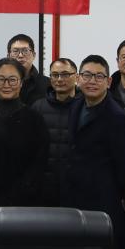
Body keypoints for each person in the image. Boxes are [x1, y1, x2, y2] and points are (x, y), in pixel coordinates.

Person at [61, 55, 125, 249]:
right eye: (87, 75)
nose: (92, 81)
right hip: (76, 198)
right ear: (78, 79)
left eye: (99, 76)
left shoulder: (117, 117)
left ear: (109, 81)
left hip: (105, 201)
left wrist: (123, 196)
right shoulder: (77, 105)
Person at [0, 58, 50, 208]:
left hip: (26, 203)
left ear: (21, 83)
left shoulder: (35, 119)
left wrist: (22, 191)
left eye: (12, 79)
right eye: (1, 79)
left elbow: (39, 162)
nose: (6, 84)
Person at [30, 57, 80, 207]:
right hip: (44, 186)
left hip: (76, 186)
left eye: (65, 74)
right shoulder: (38, 107)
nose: (59, 79)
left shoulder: (85, 106)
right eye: (55, 75)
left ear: (76, 77)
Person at [0, 34, 50, 108]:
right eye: (15, 51)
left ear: (34, 55)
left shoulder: (47, 84)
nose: (20, 55)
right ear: (8, 56)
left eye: (25, 51)